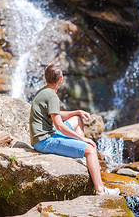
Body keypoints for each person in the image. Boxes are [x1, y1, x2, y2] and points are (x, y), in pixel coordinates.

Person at [29, 64, 120, 196]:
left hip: (43, 137)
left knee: (77, 119)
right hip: (44, 141)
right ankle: (101, 190)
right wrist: (82, 139)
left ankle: (81, 157)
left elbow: (56, 115)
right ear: (60, 79)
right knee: (90, 149)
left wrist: (76, 111)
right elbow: (59, 125)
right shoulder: (51, 96)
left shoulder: (44, 91)